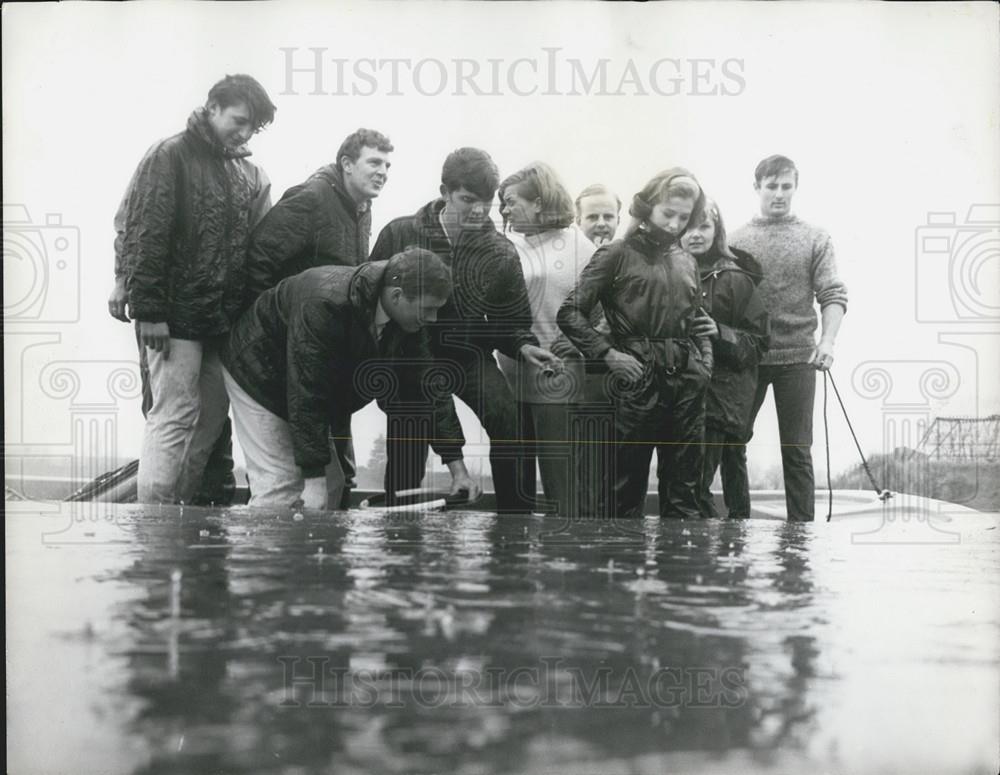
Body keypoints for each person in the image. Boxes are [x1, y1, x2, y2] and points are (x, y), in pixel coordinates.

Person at [369, 147, 558, 512]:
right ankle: (400, 526)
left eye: (486, 202)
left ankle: (514, 519)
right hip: (408, 354)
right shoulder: (400, 233)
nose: (477, 210)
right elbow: (371, 300)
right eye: (467, 199)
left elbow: (512, 322)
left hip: (468, 355)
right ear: (444, 192)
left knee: (510, 419)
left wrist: (522, 345)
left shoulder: (500, 252)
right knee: (409, 427)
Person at [120, 74, 275, 504]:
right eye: (238, 120)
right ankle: (155, 524)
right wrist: (149, 310)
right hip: (174, 318)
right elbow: (145, 232)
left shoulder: (246, 172)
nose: (243, 132)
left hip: (221, 323)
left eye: (252, 127)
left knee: (207, 423)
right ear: (212, 107)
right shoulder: (170, 155)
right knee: (173, 417)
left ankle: (180, 520)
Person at [221, 248, 475, 509]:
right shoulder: (324, 304)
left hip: (305, 386)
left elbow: (428, 389)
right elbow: (308, 392)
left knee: (331, 485)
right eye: (429, 309)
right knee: (282, 488)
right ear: (397, 296)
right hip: (258, 373)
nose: (432, 319)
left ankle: (308, 548)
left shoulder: (410, 322)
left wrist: (458, 470)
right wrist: (313, 480)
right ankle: (262, 548)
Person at [241, 127, 394, 508]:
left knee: (338, 472)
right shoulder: (311, 199)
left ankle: (324, 557)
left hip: (327, 352)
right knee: (295, 476)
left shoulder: (359, 208)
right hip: (292, 347)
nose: (383, 172)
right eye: (374, 162)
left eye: (388, 165)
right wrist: (276, 333)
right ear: (346, 164)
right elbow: (258, 260)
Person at [558, 168, 716, 520]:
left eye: (683, 217)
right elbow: (569, 313)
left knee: (685, 495)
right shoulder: (616, 254)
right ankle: (620, 570)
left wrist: (704, 366)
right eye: (667, 214)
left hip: (688, 385)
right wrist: (608, 354)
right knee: (623, 492)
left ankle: (678, 572)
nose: (675, 224)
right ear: (647, 209)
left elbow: (699, 321)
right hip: (636, 381)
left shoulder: (687, 261)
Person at [729, 154, 848, 521]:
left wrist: (826, 342)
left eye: (786, 186)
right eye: (771, 186)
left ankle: (802, 530)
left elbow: (833, 295)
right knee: (732, 442)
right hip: (747, 358)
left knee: (797, 449)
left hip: (798, 358)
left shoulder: (815, 238)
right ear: (757, 188)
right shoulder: (735, 240)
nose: (779, 194)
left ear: (795, 188)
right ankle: (737, 522)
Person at [497, 162, 597, 516]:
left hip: (558, 373)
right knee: (516, 478)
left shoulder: (577, 245)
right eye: (503, 204)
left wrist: (580, 342)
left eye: (511, 202)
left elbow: (603, 308)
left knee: (560, 478)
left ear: (539, 202)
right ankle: (514, 561)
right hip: (511, 371)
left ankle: (567, 556)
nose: (505, 210)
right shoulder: (507, 245)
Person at [681, 199, 770, 519]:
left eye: (703, 226)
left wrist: (719, 332)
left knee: (704, 478)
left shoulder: (735, 279)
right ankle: (722, 552)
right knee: (711, 471)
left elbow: (759, 343)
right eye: (687, 226)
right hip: (687, 390)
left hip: (724, 397)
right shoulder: (669, 270)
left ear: (717, 231)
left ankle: (714, 553)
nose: (695, 234)